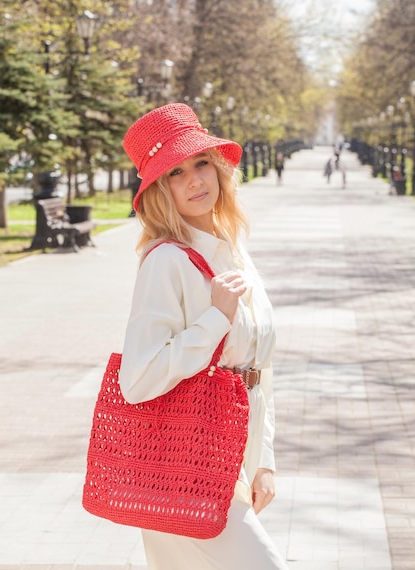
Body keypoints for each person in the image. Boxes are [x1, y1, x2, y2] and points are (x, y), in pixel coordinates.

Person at [119, 103, 289, 570]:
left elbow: (260, 367)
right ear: (158, 188)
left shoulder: (232, 250)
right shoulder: (165, 262)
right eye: (175, 173)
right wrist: (213, 319)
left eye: (201, 163)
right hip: (188, 464)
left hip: (236, 454)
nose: (195, 180)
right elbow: (137, 379)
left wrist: (265, 461)